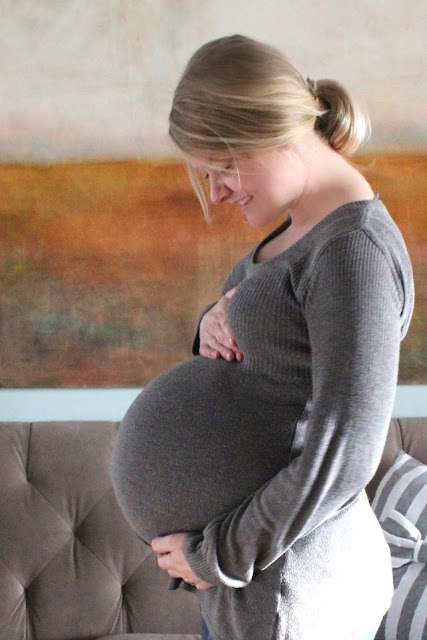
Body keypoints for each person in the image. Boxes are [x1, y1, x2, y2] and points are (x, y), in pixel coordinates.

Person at [112, 35, 414, 640]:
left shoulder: (352, 249)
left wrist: (216, 554)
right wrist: (210, 323)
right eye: (206, 173)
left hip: (291, 591)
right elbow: (272, 362)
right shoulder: (304, 232)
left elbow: (346, 449)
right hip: (255, 593)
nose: (216, 191)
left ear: (274, 129)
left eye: (223, 166)